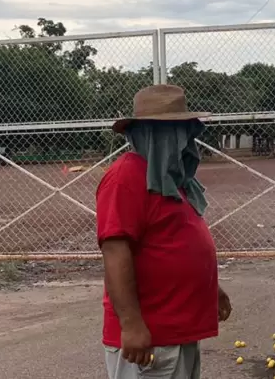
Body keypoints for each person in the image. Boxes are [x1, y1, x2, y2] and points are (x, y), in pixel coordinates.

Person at [97, 84, 232, 379]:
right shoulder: (126, 178)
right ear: (148, 134)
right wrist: (131, 325)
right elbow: (115, 251)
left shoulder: (170, 179)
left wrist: (212, 290)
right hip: (150, 338)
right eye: (177, 132)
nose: (185, 141)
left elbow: (176, 241)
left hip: (177, 329)